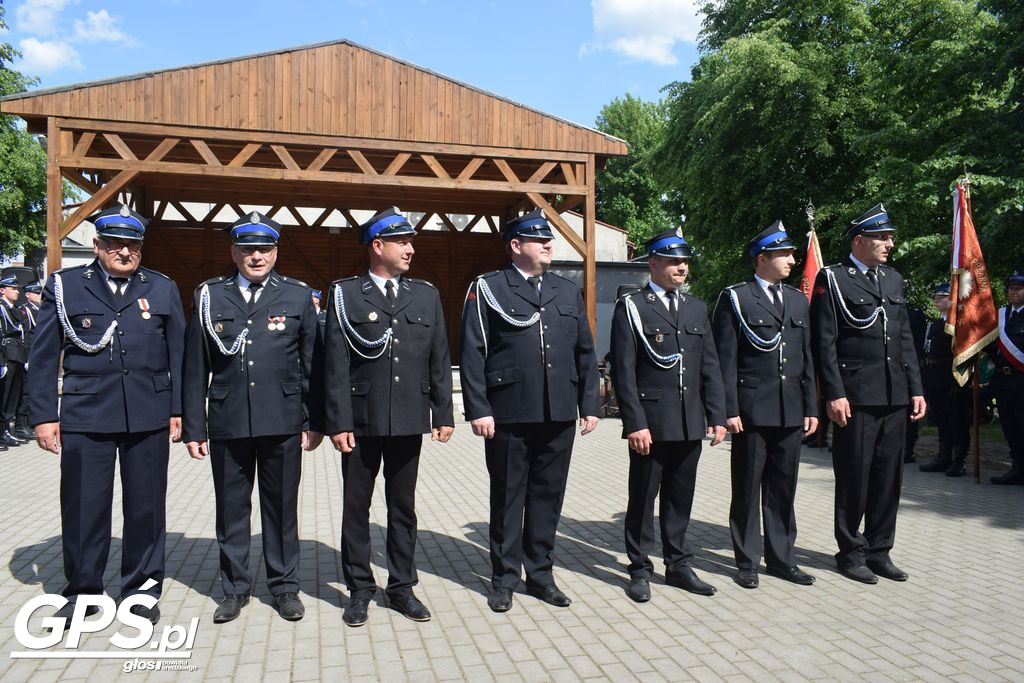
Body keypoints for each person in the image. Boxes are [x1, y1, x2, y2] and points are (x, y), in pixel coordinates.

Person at [29, 204, 185, 626]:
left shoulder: (161, 287)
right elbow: (43, 358)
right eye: (114, 243)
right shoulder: (65, 287)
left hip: (147, 416)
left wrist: (179, 410)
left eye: (131, 245)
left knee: (146, 509)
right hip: (86, 415)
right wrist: (44, 415)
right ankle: (83, 593)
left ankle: (141, 592)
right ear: (96, 246)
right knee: (84, 508)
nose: (124, 251)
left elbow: (179, 355)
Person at [182, 211, 323, 624]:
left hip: (282, 421)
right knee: (231, 510)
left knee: (281, 510)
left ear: (275, 251)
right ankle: (235, 589)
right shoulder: (209, 295)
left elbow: (311, 363)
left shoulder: (297, 295)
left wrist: (314, 420)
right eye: (248, 249)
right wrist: (195, 425)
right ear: (234, 252)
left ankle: (284, 588)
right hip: (228, 420)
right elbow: (195, 366)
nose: (256, 256)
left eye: (264, 249)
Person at [460, 209, 600, 613]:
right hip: (509, 411)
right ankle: (504, 578)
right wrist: (479, 409)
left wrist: (589, 402)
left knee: (547, 496)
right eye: (539, 240)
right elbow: (472, 351)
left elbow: (584, 350)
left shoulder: (566, 289)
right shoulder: (489, 287)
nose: (548, 246)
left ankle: (541, 575)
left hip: (558, 411)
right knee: (507, 496)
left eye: (550, 240)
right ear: (516, 246)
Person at [324, 207, 455, 627]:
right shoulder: (346, 294)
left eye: (411, 242)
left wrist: (443, 411)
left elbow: (439, 357)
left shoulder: (425, 295)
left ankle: (401, 587)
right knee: (355, 508)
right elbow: (335, 364)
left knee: (403, 508)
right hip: (360, 422)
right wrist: (339, 421)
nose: (410, 249)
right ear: (378, 246)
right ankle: (360, 589)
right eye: (403, 242)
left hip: (408, 418)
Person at [810, 204, 926, 584]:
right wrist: (834, 393)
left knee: (888, 478)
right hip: (856, 396)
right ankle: (850, 552)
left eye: (890, 237)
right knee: (854, 477)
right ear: (860, 241)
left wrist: (916, 389)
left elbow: (905, 339)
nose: (890, 244)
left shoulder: (892, 280)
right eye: (883, 237)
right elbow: (824, 343)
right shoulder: (834, 280)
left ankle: (880, 550)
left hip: (894, 394)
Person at [610, 227, 727, 603]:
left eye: (685, 261)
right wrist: (635, 422)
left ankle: (677, 564)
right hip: (652, 421)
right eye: (674, 261)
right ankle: (640, 568)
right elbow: (623, 370)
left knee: (680, 498)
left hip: (689, 419)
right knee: (643, 499)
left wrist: (717, 415)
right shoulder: (633, 305)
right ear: (654, 263)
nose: (682, 268)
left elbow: (710, 365)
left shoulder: (695, 308)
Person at [711, 222, 818, 590]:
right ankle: (746, 561)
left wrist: (811, 406)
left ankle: (782, 558)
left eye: (791, 254)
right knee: (747, 487)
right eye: (784, 254)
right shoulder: (736, 298)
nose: (791, 260)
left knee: (783, 487)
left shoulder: (796, 300)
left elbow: (806, 357)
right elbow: (724, 359)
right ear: (762, 259)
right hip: (752, 411)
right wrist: (729, 409)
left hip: (790, 409)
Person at [918, 283, 972, 476]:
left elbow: (965, 355)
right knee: (941, 419)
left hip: (951, 378)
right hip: (934, 377)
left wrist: (960, 381)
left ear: (952, 299)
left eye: (941, 296)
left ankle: (959, 461)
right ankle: (943, 457)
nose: (936, 300)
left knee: (956, 420)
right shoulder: (935, 324)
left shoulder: (959, 324)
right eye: (936, 296)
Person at [988, 270, 1024, 484]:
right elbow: (993, 346)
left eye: (1019, 288)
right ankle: (1017, 469)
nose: (1014, 292)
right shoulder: (1000, 315)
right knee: (1010, 428)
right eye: (1011, 288)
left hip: (1022, 381)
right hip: (1003, 381)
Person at [0, 276, 28, 447]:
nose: (17, 292)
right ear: (2, 290)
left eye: (17, 289)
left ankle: (6, 431)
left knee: (12, 396)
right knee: (3, 396)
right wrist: (1, 362)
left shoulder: (15, 309)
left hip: (17, 354)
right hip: (7, 355)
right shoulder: (2, 308)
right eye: (13, 288)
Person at [14, 282, 42, 439]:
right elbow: (25, 336)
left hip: (37, 356)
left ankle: (30, 422)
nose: (39, 296)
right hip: (29, 354)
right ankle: (20, 425)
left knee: (34, 391)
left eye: (39, 293)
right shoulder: (25, 310)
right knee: (25, 392)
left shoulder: (39, 310)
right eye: (36, 293)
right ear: (28, 295)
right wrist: (27, 358)